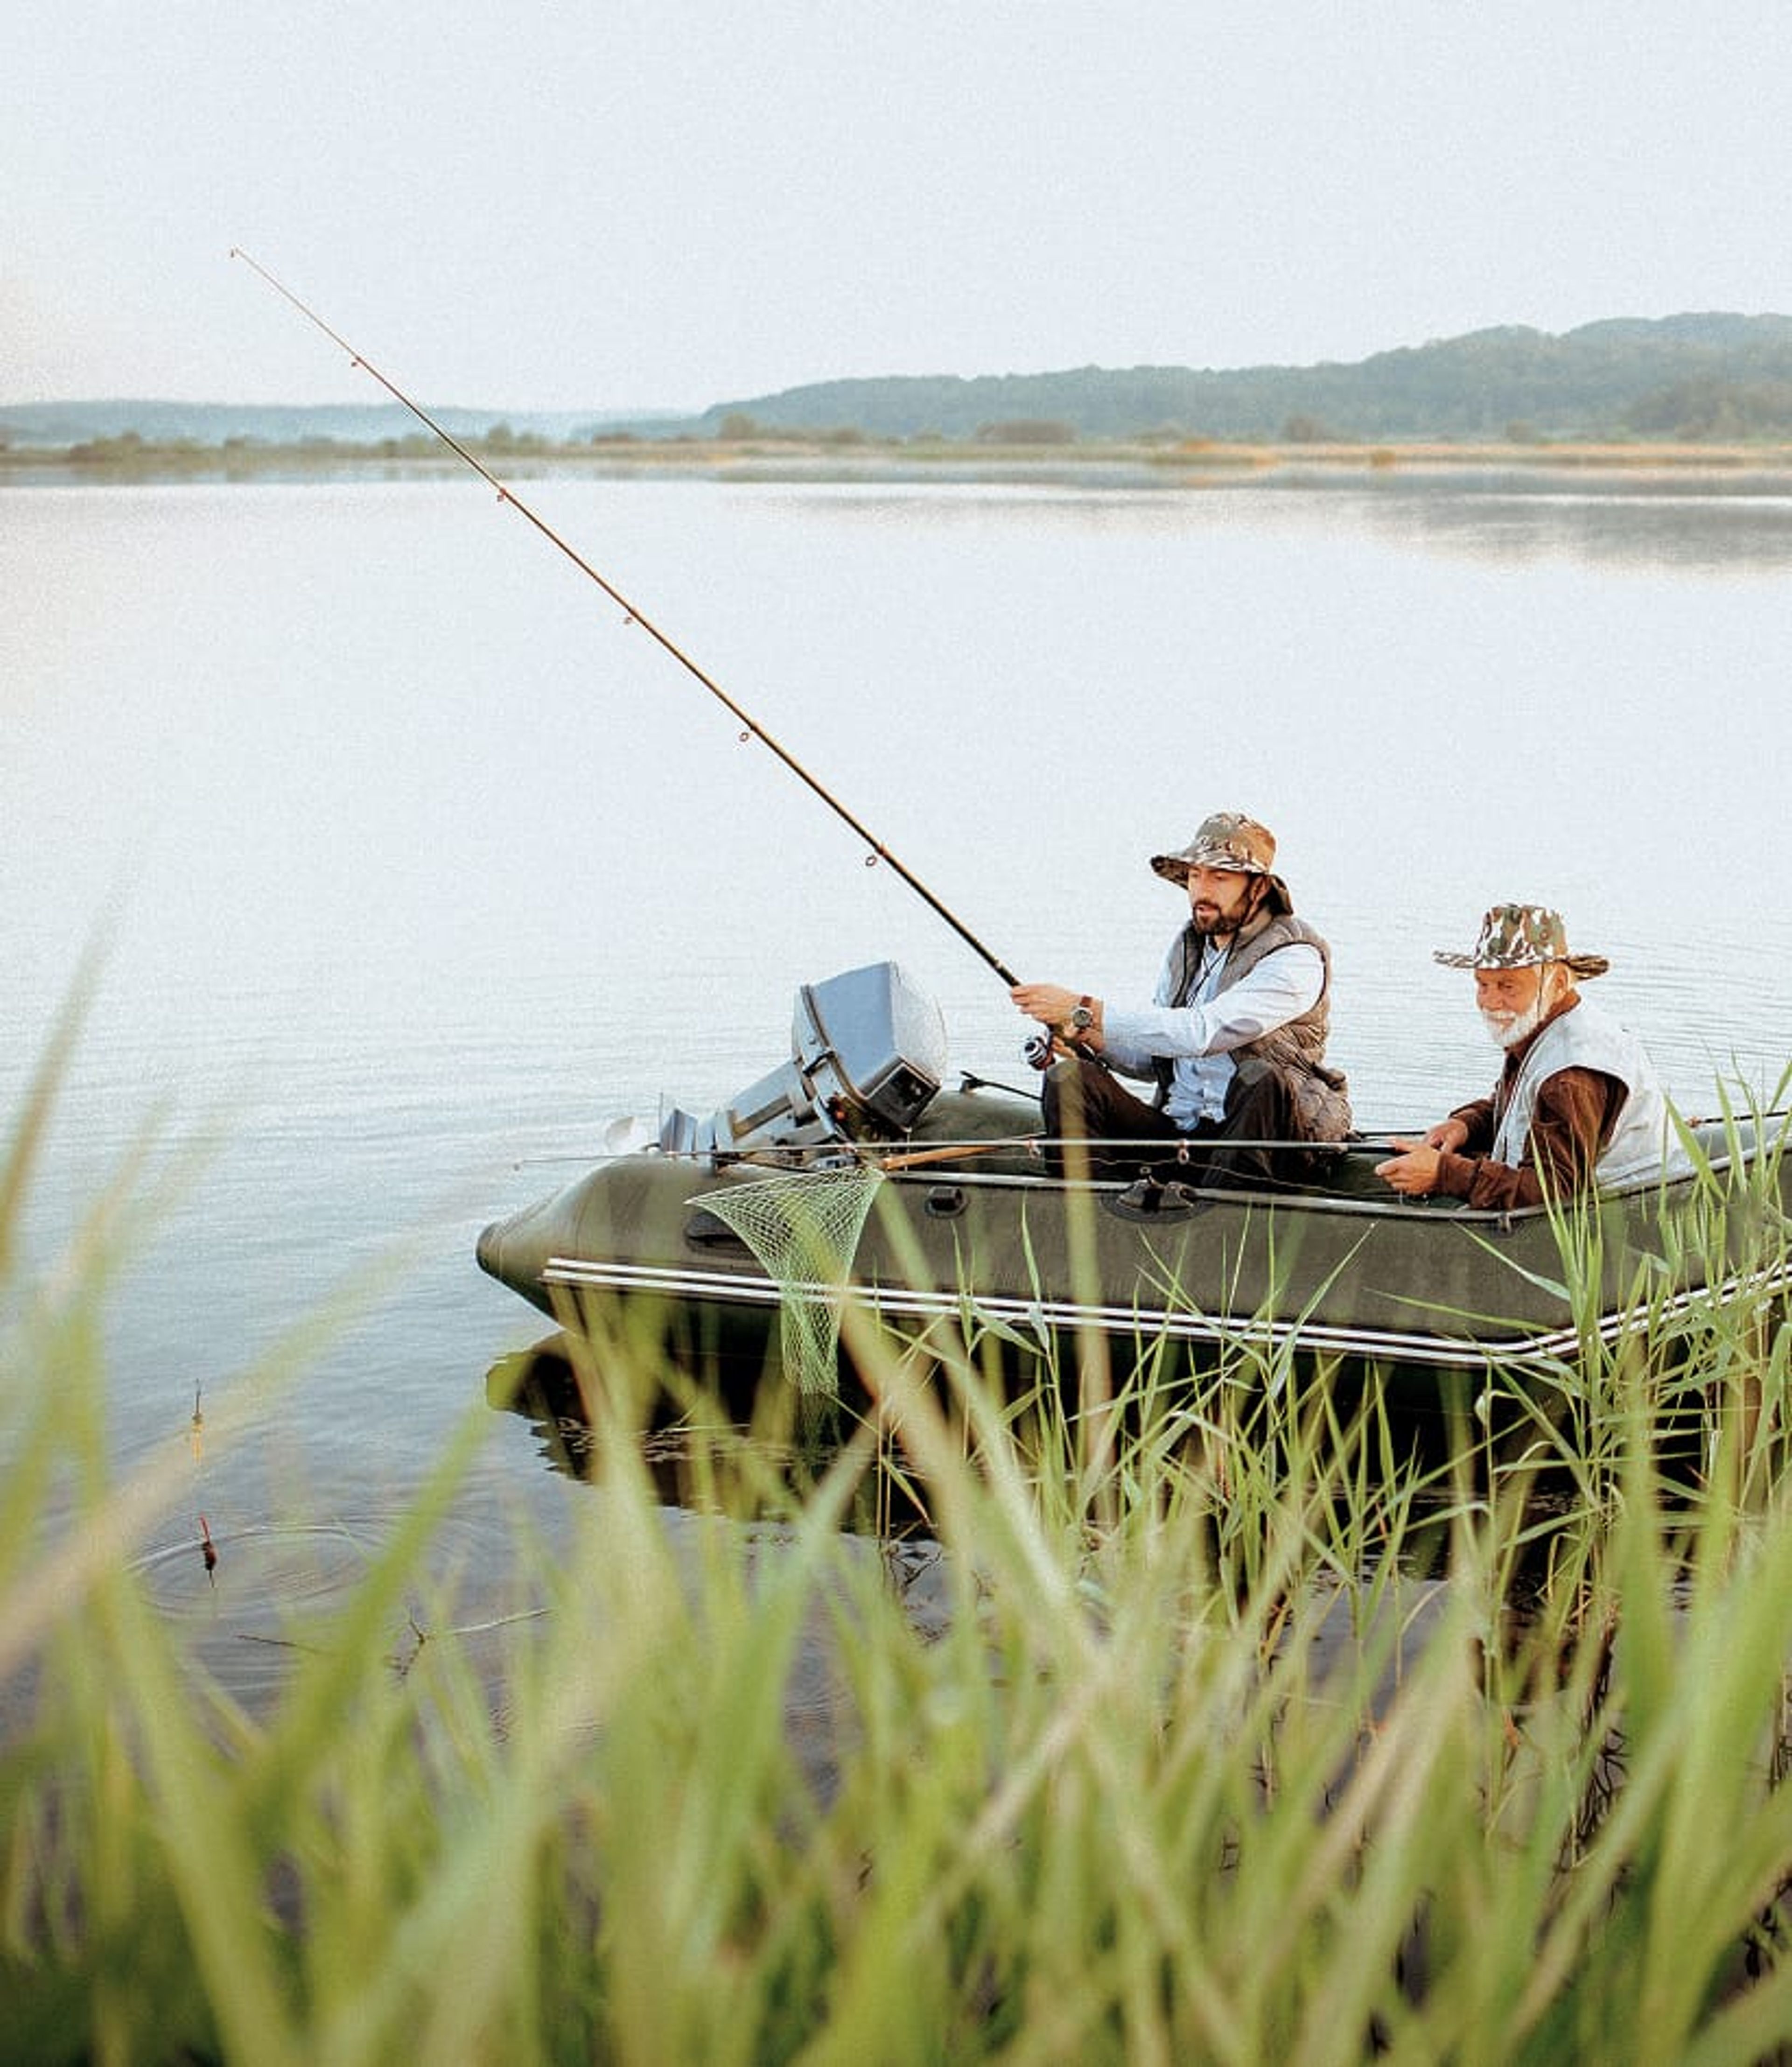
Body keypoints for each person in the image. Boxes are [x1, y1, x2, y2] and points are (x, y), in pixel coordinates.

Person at [1010, 810, 1351, 1191]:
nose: (1202, 890)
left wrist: (1087, 1009)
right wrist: (1089, 1036)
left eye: (1219, 877)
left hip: (1267, 1139)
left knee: (1259, 1079)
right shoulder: (1187, 949)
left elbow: (1204, 1033)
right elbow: (1156, 1059)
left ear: (1258, 888)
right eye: (1194, 875)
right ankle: (1092, 1220)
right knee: (1069, 1079)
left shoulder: (1295, 958)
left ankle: (1220, 1219)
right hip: (1180, 1133)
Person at [1374, 903, 1678, 1209]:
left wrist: (1446, 1173)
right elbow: (1525, 1110)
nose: (1491, 1001)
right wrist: (1467, 1125)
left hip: (1622, 1219)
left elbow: (1556, 1195)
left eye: (1508, 986)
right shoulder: (1539, 1027)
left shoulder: (1572, 1073)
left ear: (1558, 982)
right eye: (1482, 984)